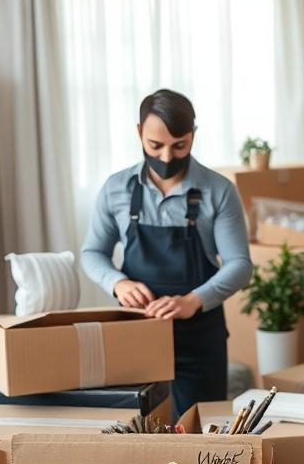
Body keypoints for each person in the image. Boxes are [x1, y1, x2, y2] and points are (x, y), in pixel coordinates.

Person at [82, 89, 252, 420]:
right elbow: (92, 253)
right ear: (139, 134)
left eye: (180, 146)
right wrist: (118, 283)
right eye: (154, 146)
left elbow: (240, 265)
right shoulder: (116, 188)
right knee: (137, 430)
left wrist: (193, 300)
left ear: (193, 137)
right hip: (135, 336)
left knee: (198, 434)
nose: (166, 157)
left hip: (199, 339)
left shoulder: (219, 191)